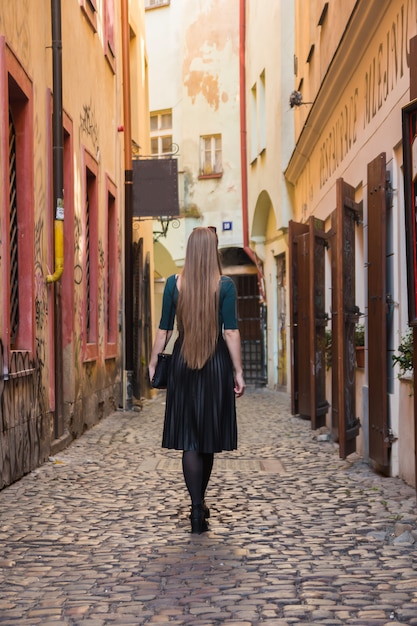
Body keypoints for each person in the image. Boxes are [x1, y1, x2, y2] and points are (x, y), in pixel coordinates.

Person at [148, 227, 245, 534]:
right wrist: (238, 371)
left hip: (183, 364)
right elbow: (230, 331)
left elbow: (164, 329)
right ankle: (200, 506)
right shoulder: (225, 285)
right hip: (215, 364)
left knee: (190, 439)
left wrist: (153, 362)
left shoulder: (174, 284)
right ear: (212, 251)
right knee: (208, 439)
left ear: (190, 251)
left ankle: (195, 507)